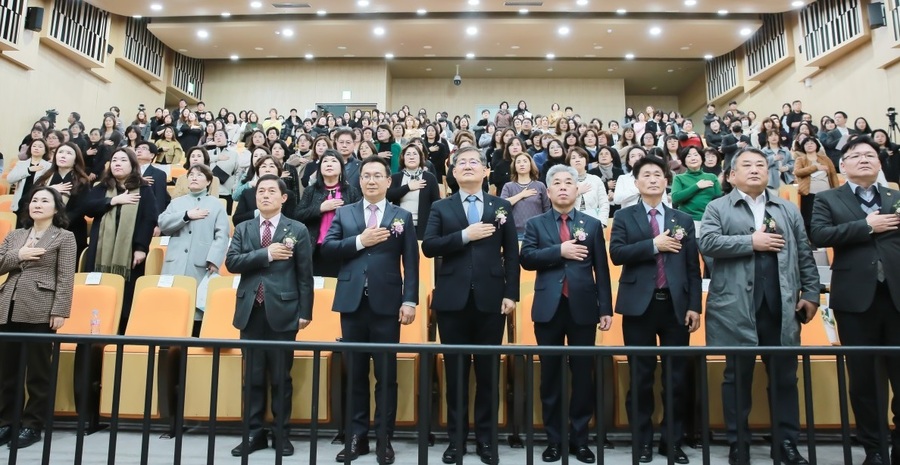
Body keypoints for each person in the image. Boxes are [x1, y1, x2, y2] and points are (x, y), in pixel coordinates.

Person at [699, 148, 819, 465]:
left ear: (769, 172)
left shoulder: (786, 209)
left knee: (783, 378)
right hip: (736, 307)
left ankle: (787, 444)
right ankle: (739, 443)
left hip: (782, 306)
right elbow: (707, 243)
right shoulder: (717, 207)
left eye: (760, 165)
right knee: (736, 378)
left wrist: (811, 292)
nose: (754, 170)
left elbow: (804, 253)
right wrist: (751, 242)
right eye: (746, 165)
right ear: (731, 175)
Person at [422, 146, 519, 465]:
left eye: (473, 162)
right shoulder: (441, 206)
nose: (467, 166)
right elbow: (430, 247)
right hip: (452, 301)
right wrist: (465, 235)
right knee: (456, 374)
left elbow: (512, 255)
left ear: (485, 170)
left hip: (492, 300)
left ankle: (487, 441)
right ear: (452, 171)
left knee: (488, 374)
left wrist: (511, 293)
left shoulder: (501, 205)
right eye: (460, 162)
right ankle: (457, 440)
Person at [809, 136, 900, 465]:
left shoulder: (895, 195)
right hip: (854, 302)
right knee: (864, 380)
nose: (864, 159)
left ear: (879, 163)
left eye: (870, 154)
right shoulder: (828, 199)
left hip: (896, 298)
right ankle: (875, 450)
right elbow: (819, 235)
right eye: (856, 155)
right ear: (842, 166)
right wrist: (866, 226)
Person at [322, 156, 418, 464]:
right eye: (366, 176)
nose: (372, 180)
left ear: (389, 182)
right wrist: (360, 241)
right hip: (352, 302)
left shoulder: (401, 214)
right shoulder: (346, 212)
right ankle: (356, 437)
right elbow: (328, 249)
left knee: (386, 375)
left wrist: (409, 299)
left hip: (387, 303)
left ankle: (383, 438)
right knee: (356, 374)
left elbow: (411, 263)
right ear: (359, 181)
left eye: (378, 175)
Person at [609, 156, 702, 464]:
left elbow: (692, 268)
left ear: (666, 182)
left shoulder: (682, 220)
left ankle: (672, 442)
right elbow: (617, 254)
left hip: (676, 307)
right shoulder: (624, 217)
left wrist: (694, 307)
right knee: (641, 377)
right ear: (636, 183)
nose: (652, 179)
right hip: (639, 308)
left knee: (676, 380)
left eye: (658, 175)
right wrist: (654, 244)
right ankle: (643, 441)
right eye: (646, 175)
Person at [519, 164, 613, 464]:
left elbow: (602, 270)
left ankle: (580, 440)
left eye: (568, 182)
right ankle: (554, 440)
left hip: (584, 308)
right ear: (548, 191)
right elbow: (527, 259)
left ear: (577, 189)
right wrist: (559, 251)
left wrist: (606, 308)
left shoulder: (592, 224)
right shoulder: (535, 224)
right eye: (556, 183)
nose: (562, 187)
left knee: (583, 376)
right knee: (550, 377)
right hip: (548, 308)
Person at [225, 174, 314, 458]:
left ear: (283, 197)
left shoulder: (297, 229)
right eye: (261, 191)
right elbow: (232, 262)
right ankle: (253, 433)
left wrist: (305, 311)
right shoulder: (243, 227)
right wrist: (266, 254)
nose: (265, 195)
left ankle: (281, 434)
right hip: (250, 310)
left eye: (271, 191)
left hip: (285, 312)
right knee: (251, 377)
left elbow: (305, 276)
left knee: (280, 377)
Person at [0, 187, 76, 449]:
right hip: (8, 305)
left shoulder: (64, 237)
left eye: (45, 201)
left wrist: (60, 310)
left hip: (41, 307)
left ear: (56, 209)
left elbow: (66, 276)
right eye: (34, 200)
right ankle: (6, 422)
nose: (38, 204)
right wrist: (18, 255)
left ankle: (32, 425)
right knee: (6, 370)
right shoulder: (16, 235)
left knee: (38, 372)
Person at [83, 148, 158, 334]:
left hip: (129, 253)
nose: (117, 163)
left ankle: (121, 336)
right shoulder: (101, 187)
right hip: (100, 250)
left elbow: (149, 218)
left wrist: (141, 247)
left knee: (126, 298)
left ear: (132, 165)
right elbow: (89, 209)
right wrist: (114, 200)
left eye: (123, 160)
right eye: (114, 159)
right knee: (98, 297)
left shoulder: (143, 189)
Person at [157, 164, 230, 336]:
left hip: (201, 263)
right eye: (191, 175)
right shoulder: (176, 203)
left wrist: (214, 260)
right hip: (175, 263)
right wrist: (186, 216)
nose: (194, 178)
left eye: (199, 175)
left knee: (196, 311)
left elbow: (222, 235)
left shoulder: (216, 205)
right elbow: (163, 224)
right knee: (173, 309)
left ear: (208, 181)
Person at [296, 149, 362, 277]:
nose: (329, 164)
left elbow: (359, 218)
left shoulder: (351, 191)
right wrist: (320, 208)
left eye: (334, 161)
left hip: (342, 246)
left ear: (341, 168)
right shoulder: (311, 191)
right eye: (325, 161)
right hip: (316, 249)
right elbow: (298, 215)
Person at [35, 142, 92, 260]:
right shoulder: (45, 178)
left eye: (69, 153)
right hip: (42, 232)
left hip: (71, 231)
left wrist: (57, 224)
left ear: (76, 159)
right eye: (60, 152)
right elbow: (26, 201)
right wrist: (49, 190)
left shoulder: (82, 181)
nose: (63, 155)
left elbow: (81, 209)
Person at [386, 144, 440, 239]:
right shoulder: (396, 177)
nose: (411, 157)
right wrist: (408, 187)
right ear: (403, 158)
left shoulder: (429, 177)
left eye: (415, 154)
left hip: (423, 226)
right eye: (408, 154)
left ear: (420, 158)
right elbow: (389, 196)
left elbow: (436, 202)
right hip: (399, 224)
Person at [792, 136, 839, 236]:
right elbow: (797, 172)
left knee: (826, 216)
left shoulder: (825, 159)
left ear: (817, 145)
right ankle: (811, 240)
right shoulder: (801, 159)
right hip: (808, 193)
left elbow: (833, 175)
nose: (809, 145)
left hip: (826, 193)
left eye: (812, 143)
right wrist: (815, 167)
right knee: (809, 218)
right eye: (806, 143)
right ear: (803, 147)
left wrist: (837, 190)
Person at [233, 155, 299, 225]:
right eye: (263, 166)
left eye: (272, 166)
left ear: (279, 171)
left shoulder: (288, 195)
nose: (267, 169)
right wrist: (258, 213)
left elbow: (291, 221)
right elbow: (236, 220)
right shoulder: (247, 193)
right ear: (258, 171)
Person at [671, 146, 722, 233]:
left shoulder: (712, 177)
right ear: (684, 161)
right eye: (689, 156)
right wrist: (697, 186)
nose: (693, 158)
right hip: (688, 221)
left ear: (702, 159)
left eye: (695, 155)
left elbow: (719, 200)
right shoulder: (679, 178)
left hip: (709, 220)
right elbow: (675, 198)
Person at [501, 151, 551, 239]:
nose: (521, 164)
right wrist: (521, 195)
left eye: (525, 161)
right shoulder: (508, 186)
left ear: (530, 165)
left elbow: (546, 209)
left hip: (537, 231)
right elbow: (502, 205)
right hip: (515, 232)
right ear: (515, 166)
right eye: (518, 162)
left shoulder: (540, 185)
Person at [568, 146, 610, 225]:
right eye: (573, 158)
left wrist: (602, 222)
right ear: (569, 162)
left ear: (586, 161)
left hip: (594, 221)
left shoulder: (596, 179)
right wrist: (577, 192)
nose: (577, 160)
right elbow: (562, 202)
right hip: (571, 222)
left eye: (580, 157)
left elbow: (604, 203)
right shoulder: (566, 181)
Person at [134, 141, 171, 217]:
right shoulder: (127, 171)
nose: (139, 150)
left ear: (152, 155)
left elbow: (159, 199)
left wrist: (158, 223)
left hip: (147, 215)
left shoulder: (158, 174)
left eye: (144, 148)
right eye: (137, 149)